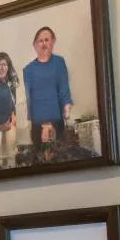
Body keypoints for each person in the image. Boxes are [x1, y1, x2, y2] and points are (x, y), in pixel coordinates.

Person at [22, 25, 72, 153]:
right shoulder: (28, 69)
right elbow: (30, 99)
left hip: (57, 121)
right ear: (35, 45)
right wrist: (42, 124)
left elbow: (64, 87)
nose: (44, 43)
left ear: (53, 41)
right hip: (37, 123)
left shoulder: (59, 62)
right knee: (39, 158)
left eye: (47, 40)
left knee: (60, 155)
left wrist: (67, 107)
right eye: (40, 40)